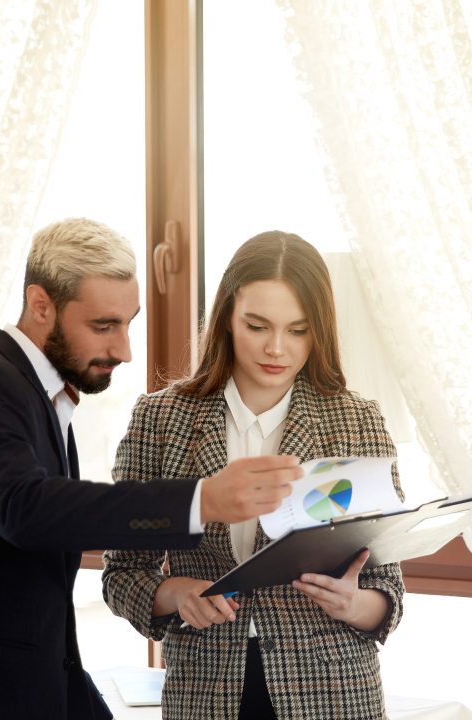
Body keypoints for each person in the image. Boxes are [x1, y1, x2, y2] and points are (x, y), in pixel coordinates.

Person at [0, 218, 303, 720]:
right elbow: (28, 509)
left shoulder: (40, 399)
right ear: (40, 305)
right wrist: (202, 501)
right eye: (103, 326)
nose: (124, 349)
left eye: (128, 323)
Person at [102, 231, 405, 720]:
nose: (277, 349)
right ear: (226, 319)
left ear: (319, 331)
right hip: (205, 690)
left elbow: (387, 588)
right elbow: (121, 574)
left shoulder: (357, 421)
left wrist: (352, 604)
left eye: (298, 330)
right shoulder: (160, 420)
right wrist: (177, 595)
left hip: (332, 692)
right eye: (257, 325)